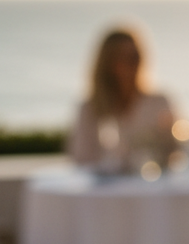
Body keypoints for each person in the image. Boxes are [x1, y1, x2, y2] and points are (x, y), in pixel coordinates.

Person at [68, 30, 175, 171]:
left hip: (151, 188)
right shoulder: (90, 109)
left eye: (135, 57)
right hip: (105, 190)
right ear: (108, 63)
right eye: (124, 58)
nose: (132, 64)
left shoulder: (159, 102)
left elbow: (176, 152)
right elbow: (81, 159)